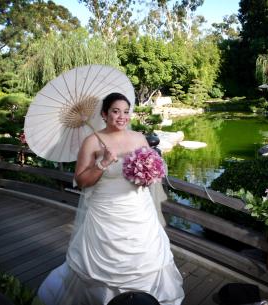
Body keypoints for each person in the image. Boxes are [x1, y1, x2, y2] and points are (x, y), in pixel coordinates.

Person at [37, 93, 184, 305]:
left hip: (138, 211)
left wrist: (147, 176)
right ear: (104, 114)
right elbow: (81, 181)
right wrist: (102, 164)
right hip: (105, 212)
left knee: (147, 257)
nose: (122, 116)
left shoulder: (139, 138)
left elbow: (150, 168)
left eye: (126, 111)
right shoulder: (92, 142)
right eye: (116, 111)